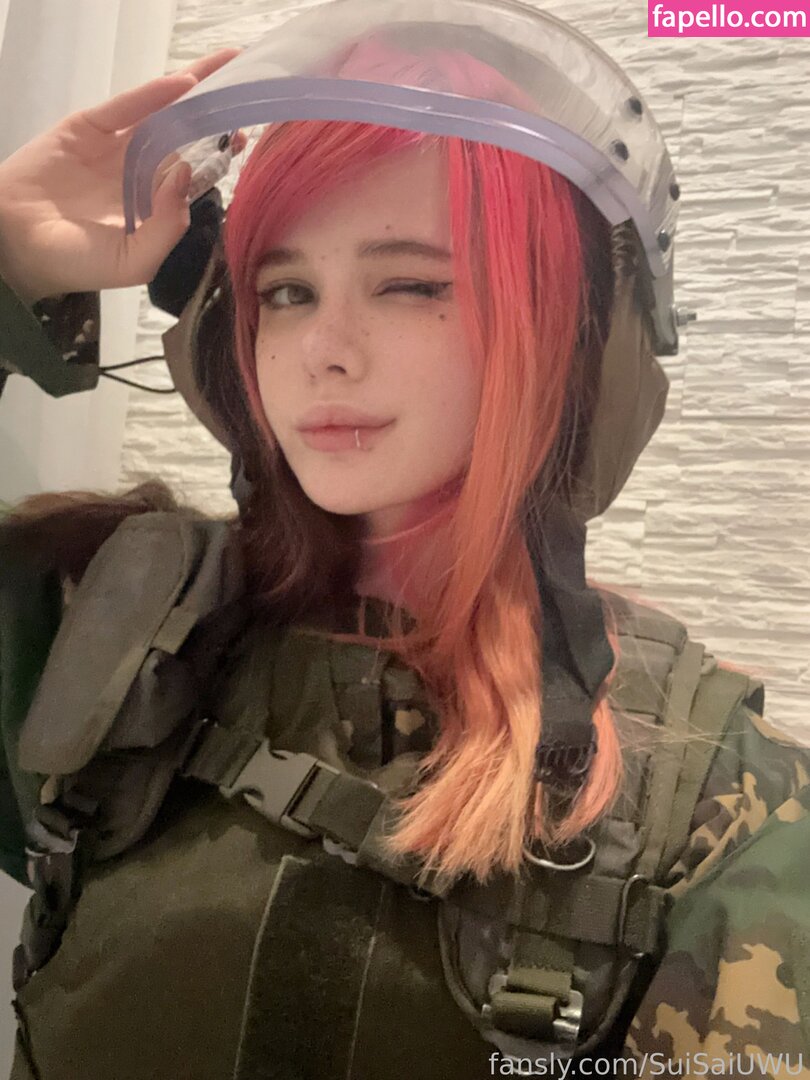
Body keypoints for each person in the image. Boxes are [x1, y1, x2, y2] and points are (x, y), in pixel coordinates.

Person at [0, 8, 809, 1079]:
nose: (322, 351)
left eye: (411, 283)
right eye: (287, 291)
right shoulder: (95, 626)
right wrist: (8, 258)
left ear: (567, 335)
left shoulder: (718, 801)